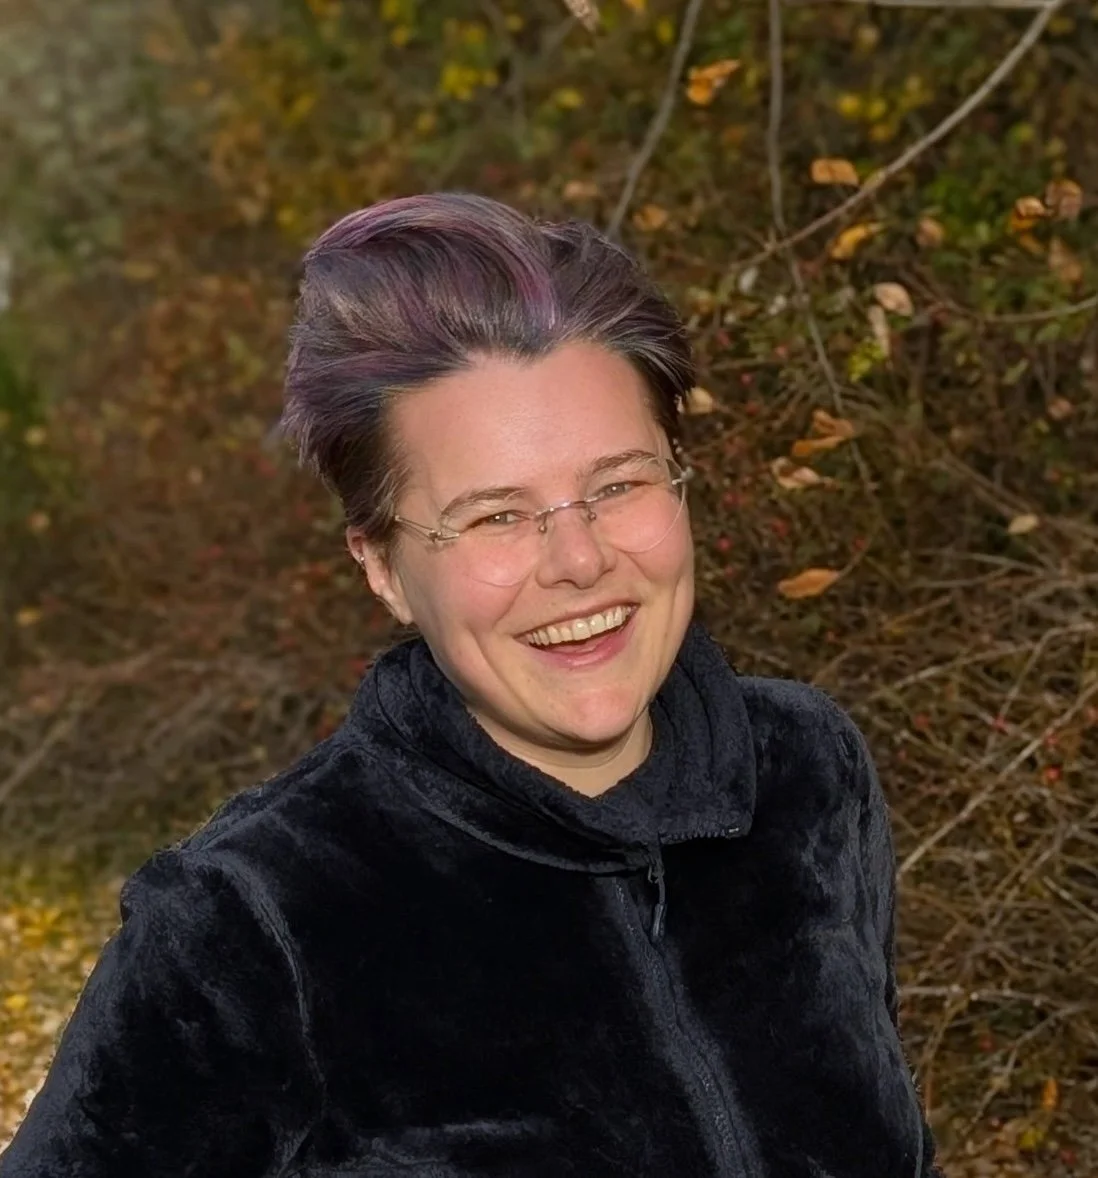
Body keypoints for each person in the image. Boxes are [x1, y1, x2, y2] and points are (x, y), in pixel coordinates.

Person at [0, 193, 941, 1177]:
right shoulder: (249, 920)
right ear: (382, 564)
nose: (578, 559)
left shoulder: (808, 771)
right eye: (495, 516)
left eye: (619, 482)